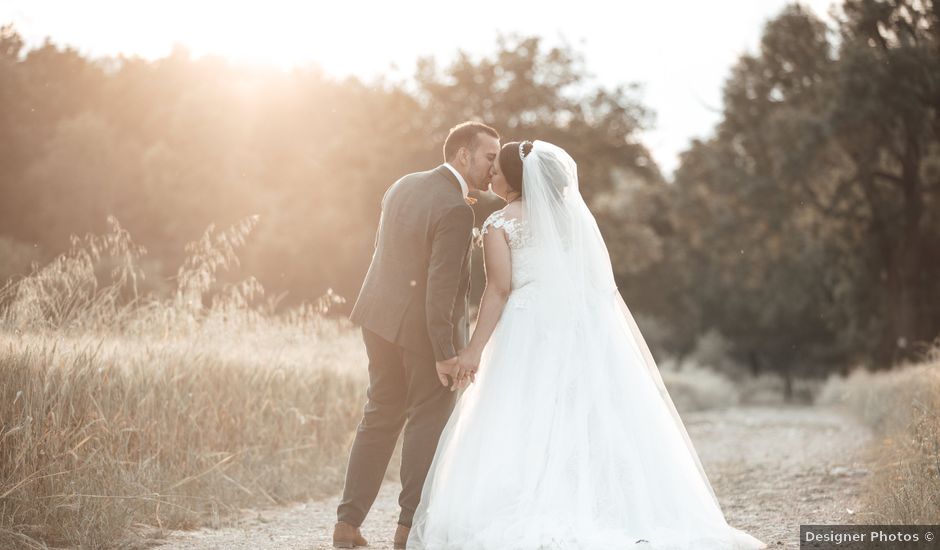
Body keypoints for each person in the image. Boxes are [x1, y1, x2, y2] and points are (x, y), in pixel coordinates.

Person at [407, 140, 768, 549]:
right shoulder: (576, 221)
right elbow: (597, 285)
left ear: (516, 175)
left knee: (524, 414)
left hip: (528, 329)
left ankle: (531, 505)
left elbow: (499, 290)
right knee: (588, 415)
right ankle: (604, 506)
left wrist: (472, 351)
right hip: (581, 327)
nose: (492, 173)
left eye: (499, 167)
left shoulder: (500, 223)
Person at [332, 122, 500, 549]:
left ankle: (347, 526)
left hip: (377, 317)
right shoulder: (458, 209)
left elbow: (391, 253)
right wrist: (445, 353)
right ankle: (408, 531)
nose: (492, 168)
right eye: (489, 158)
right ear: (463, 155)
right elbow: (440, 289)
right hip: (422, 331)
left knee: (380, 414)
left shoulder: (403, 184)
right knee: (427, 421)